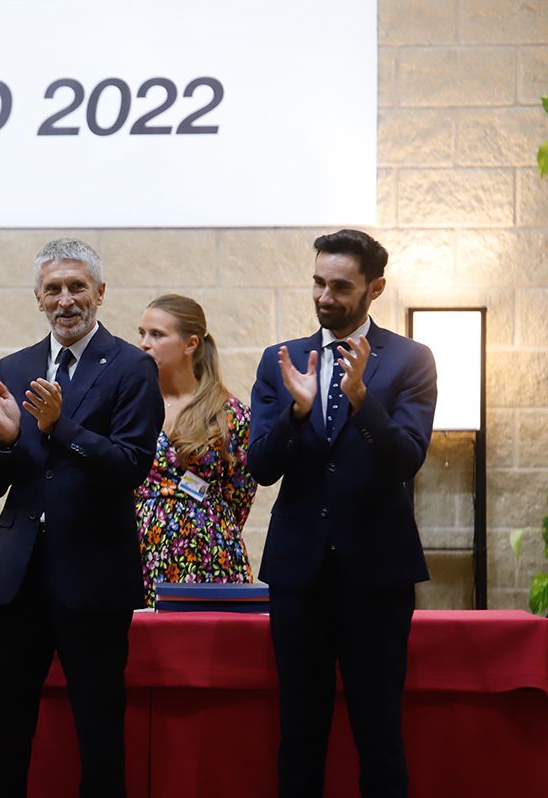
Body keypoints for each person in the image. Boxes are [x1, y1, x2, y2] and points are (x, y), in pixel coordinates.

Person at [247, 229, 437, 798]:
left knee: (379, 737)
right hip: (298, 575)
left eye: (340, 286)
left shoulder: (410, 359)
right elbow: (260, 466)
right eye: (318, 282)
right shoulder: (280, 360)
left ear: (374, 288)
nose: (325, 297)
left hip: (377, 575)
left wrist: (361, 399)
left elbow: (407, 459)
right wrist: (296, 414)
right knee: (299, 736)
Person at [0, 238, 163, 798]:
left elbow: (131, 466)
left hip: (95, 581)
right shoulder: (16, 366)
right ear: (37, 299)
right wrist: (6, 440)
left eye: (77, 286)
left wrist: (61, 428)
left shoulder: (132, 367)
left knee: (100, 738)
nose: (66, 300)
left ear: (100, 292)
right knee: (3, 737)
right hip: (18, 581)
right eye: (53, 289)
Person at [134, 294, 256, 606]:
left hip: (209, 554)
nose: (145, 343)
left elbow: (239, 497)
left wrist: (199, 523)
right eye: (142, 333)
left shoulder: (230, 414)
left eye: (157, 335)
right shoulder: (130, 407)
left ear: (190, 344)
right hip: (137, 551)